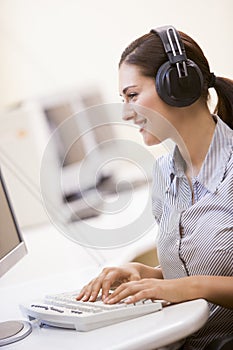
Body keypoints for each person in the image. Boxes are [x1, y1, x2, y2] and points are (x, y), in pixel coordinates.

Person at [76, 26, 233, 349]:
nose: (125, 112)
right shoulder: (164, 173)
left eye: (132, 95)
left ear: (179, 85)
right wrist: (148, 275)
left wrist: (189, 287)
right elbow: (208, 263)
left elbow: (198, 282)